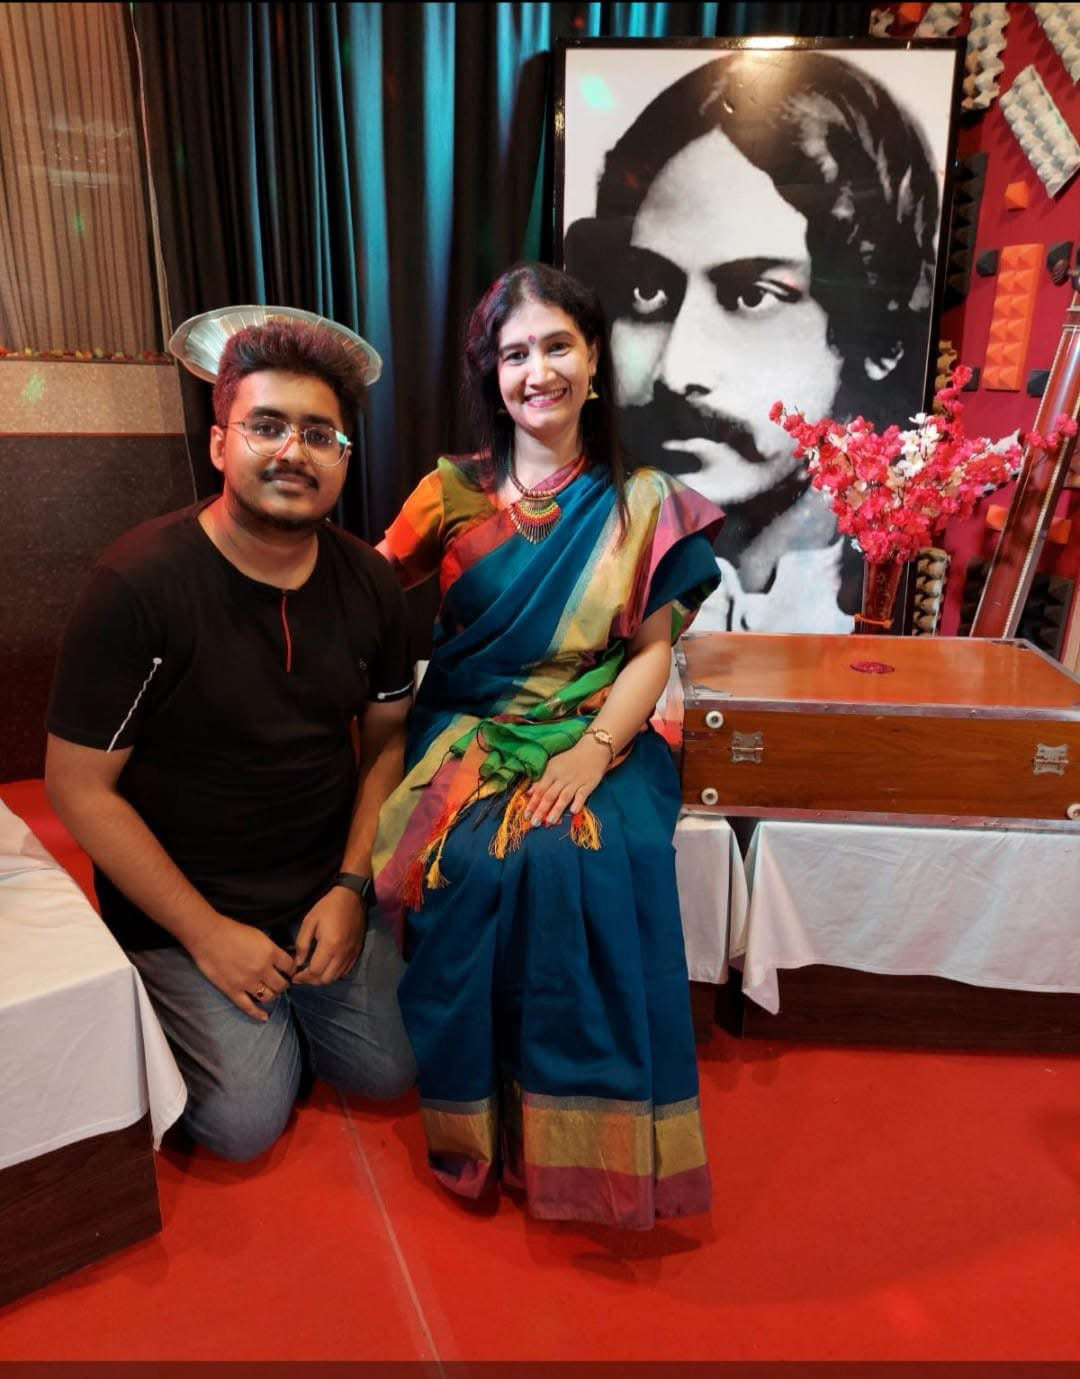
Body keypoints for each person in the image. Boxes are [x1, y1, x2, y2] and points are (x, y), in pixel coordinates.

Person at [372, 263, 724, 1229]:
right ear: (492, 375)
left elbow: (652, 653)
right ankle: (482, 1121)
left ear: (595, 360)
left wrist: (595, 752)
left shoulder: (646, 501)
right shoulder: (449, 492)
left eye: (558, 346)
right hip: (469, 726)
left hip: (600, 724)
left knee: (581, 856)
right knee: (475, 865)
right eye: (515, 353)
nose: (538, 371)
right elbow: (364, 590)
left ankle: (577, 1140)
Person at [44, 310, 416, 1162]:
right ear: (220, 444)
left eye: (319, 434)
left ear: (344, 458)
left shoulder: (369, 582)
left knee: (393, 1066)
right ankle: (207, 997)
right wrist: (206, 933)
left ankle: (288, 1007)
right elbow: (76, 787)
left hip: (318, 891)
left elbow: (388, 742)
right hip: (186, 901)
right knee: (244, 1123)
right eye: (266, 426)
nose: (293, 452)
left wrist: (351, 887)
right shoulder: (138, 584)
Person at [564, 49, 940, 633]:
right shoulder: (574, 573)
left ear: (875, 335)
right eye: (647, 291)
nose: (678, 370)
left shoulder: (858, 605)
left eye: (752, 295)